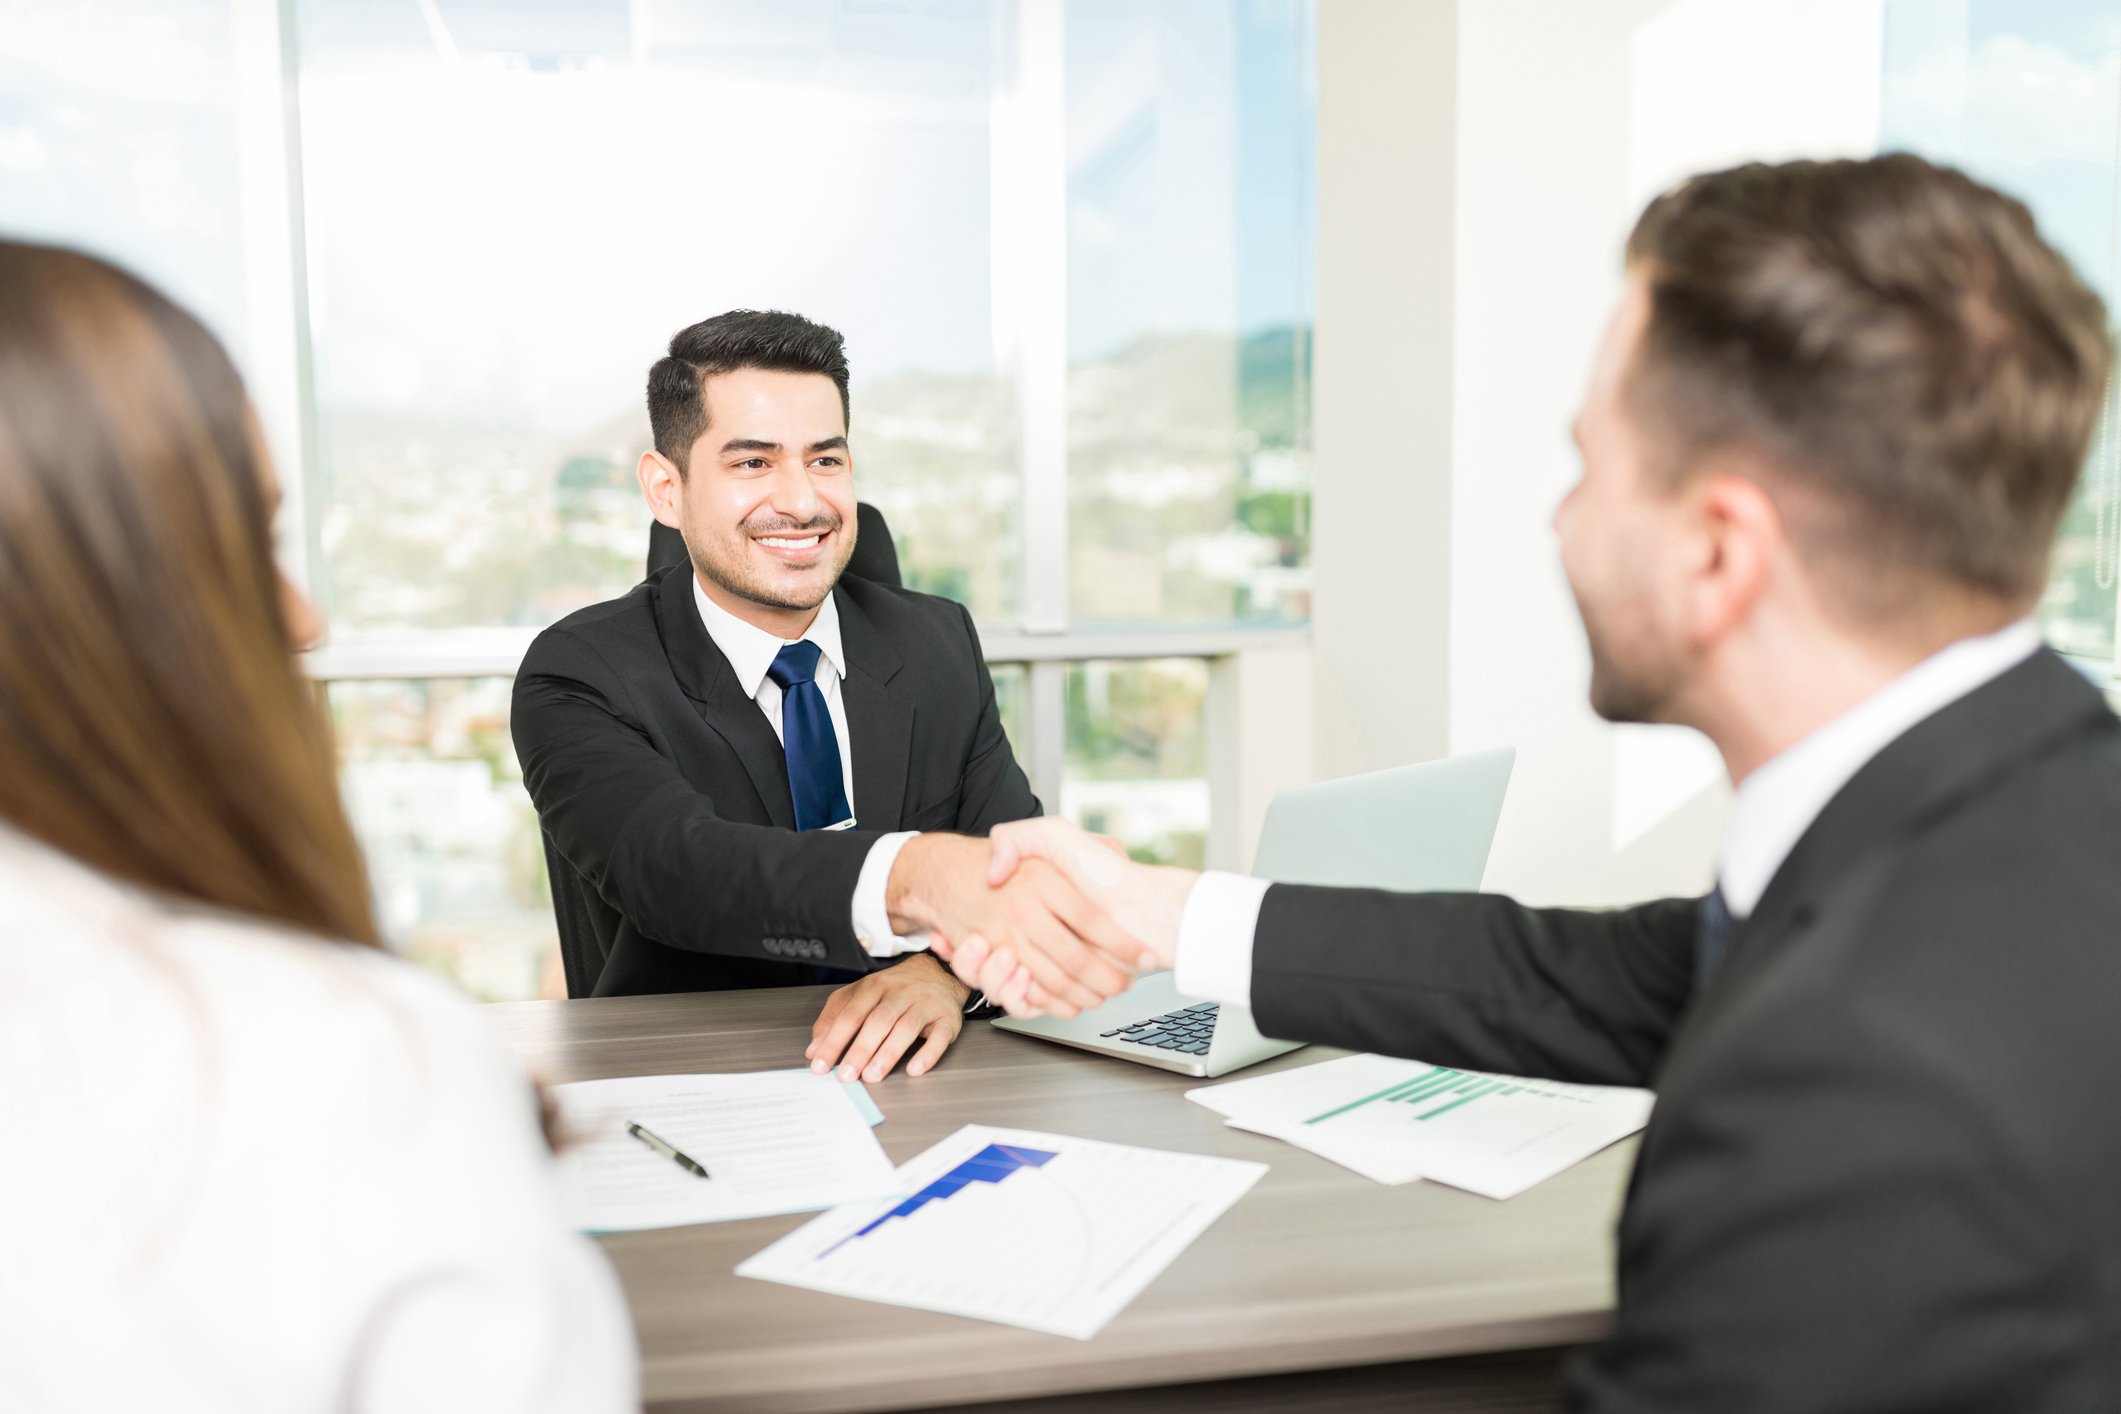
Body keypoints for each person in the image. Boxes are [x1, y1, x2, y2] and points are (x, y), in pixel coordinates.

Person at [937, 155, 2121, 1411]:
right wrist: (1158, 910)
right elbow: (1584, 976)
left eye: (1589, 467)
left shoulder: (1850, 1081)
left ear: (1718, 550)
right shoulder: (2025, 801)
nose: (1562, 522)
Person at [0, 242, 637, 1413]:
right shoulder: (350, 1068)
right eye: (247, 544)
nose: (303, 616)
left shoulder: (930, 643)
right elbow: (671, 862)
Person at [512, 310, 1139, 1084]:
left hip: (922, 1078)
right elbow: (676, 871)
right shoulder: (579, 672)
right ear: (666, 490)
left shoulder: (935, 641)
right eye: (752, 463)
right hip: (694, 1081)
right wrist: (917, 879)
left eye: (826, 459)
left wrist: (942, 973)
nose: (802, 501)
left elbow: (1012, 874)